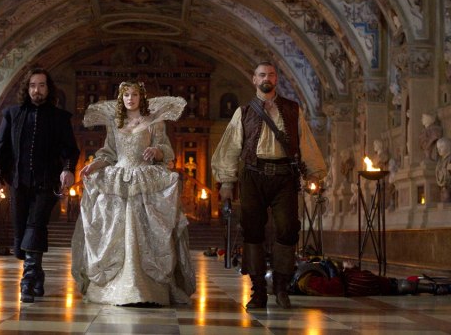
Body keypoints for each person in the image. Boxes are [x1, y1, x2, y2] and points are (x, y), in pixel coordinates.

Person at [211, 61, 326, 310]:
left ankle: (281, 288)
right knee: (252, 230)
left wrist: (314, 173)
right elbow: (230, 147)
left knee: (288, 229)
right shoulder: (243, 112)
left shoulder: (293, 109)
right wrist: (227, 182)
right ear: (254, 79)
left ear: (276, 79)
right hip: (253, 175)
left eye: (271, 75)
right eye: (262, 74)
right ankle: (258, 291)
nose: (267, 78)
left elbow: (306, 142)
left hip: (284, 176)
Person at [71, 81, 196, 306]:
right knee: (115, 230)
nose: (130, 98)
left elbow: (166, 150)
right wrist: (94, 165)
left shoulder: (154, 122)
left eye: (134, 94)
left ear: (141, 97)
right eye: (126, 95)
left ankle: (147, 290)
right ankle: (116, 287)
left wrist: (156, 151)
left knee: (145, 231)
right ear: (121, 98)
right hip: (119, 180)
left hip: (144, 179)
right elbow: (109, 153)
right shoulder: (115, 123)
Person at [0, 67, 79, 303]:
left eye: (41, 85)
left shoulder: (60, 117)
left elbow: (70, 150)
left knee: (35, 225)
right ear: (26, 88)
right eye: (32, 85)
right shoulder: (12, 114)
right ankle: (37, 274)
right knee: (21, 231)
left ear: (48, 89)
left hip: (47, 183)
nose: (36, 90)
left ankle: (27, 281)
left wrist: (68, 169)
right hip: (18, 182)